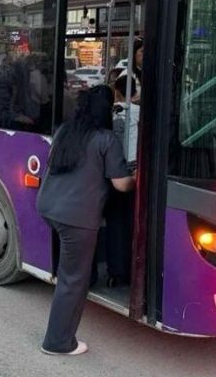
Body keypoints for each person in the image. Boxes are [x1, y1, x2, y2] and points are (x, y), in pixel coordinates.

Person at [36, 85, 135, 356]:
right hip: (76, 218)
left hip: (48, 207)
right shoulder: (106, 140)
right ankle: (57, 342)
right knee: (72, 281)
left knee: (73, 269)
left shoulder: (65, 131)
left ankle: (88, 277)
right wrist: (136, 176)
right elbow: (121, 184)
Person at [104, 75, 141, 287]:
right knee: (132, 222)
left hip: (115, 170)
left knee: (115, 224)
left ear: (116, 91)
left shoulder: (109, 113)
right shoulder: (141, 113)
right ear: (135, 92)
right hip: (136, 170)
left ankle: (116, 272)